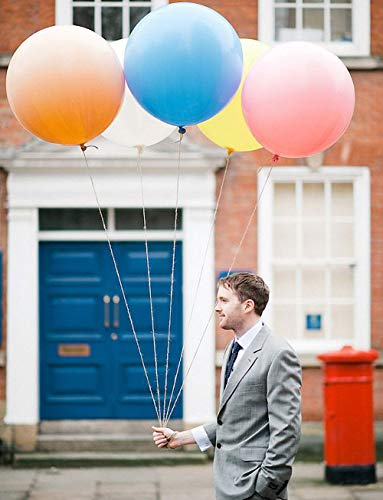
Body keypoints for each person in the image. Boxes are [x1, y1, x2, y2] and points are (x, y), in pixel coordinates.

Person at [153, 272, 302, 500]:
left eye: (223, 300)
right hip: (227, 484)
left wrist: (267, 486)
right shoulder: (233, 348)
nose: (216, 307)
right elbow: (233, 419)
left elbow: (287, 430)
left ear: (247, 306)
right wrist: (180, 438)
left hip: (254, 488)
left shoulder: (278, 354)